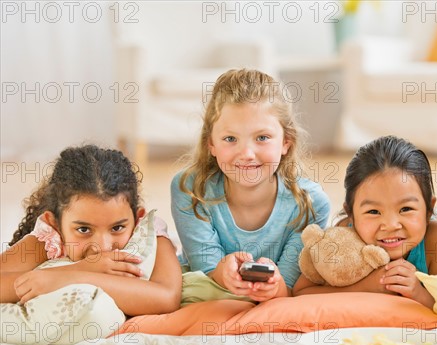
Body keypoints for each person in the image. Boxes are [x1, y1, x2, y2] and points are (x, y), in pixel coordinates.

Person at [171, 69, 330, 303]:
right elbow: (204, 272)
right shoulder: (191, 189)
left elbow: (288, 287)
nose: (246, 154)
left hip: (271, 304)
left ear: (286, 142)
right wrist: (221, 273)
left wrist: (275, 288)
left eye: (262, 138)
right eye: (230, 139)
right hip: (208, 293)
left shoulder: (310, 203)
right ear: (211, 144)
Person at [0, 145, 182, 315]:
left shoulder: (149, 233)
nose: (102, 247)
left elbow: (167, 298)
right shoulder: (51, 240)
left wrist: (71, 277)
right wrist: (78, 269)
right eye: (84, 229)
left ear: (136, 218)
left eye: (117, 228)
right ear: (54, 224)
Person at [293, 135, 437, 308]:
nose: (391, 225)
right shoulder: (345, 235)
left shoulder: (435, 239)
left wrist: (418, 293)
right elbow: (301, 292)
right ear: (351, 214)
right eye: (374, 211)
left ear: (429, 209)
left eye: (406, 209)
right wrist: (366, 287)